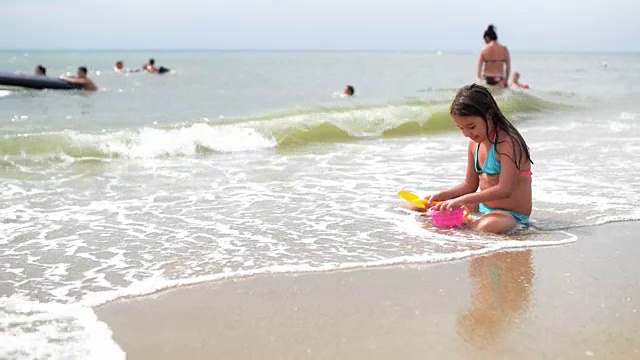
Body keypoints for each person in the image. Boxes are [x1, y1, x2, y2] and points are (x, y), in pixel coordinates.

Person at [405, 84, 533, 234]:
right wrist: (442, 196)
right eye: (461, 128)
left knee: (487, 227)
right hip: (483, 209)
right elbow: (469, 185)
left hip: (510, 216)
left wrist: (461, 201)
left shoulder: (507, 143)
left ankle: (464, 224)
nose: (466, 133)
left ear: (489, 114)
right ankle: (464, 222)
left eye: (471, 127)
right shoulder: (475, 144)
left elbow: (505, 190)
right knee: (414, 207)